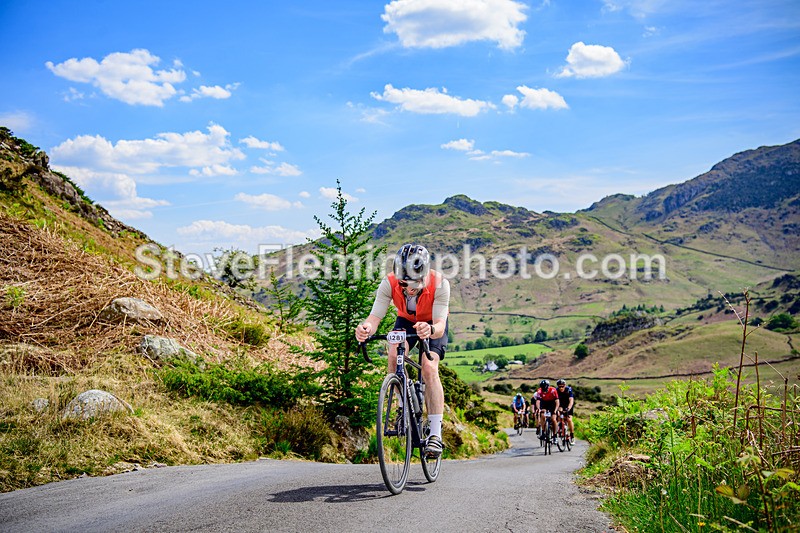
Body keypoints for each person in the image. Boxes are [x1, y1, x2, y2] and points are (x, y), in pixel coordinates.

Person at [355, 244, 450, 458]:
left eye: (415, 283)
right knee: (393, 353)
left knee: (428, 367)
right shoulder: (388, 283)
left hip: (432, 324)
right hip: (406, 321)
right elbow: (374, 318)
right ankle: (402, 407)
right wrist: (365, 329)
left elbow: (440, 326)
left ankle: (435, 433)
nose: (410, 289)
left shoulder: (440, 284)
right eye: (405, 283)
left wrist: (431, 329)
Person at [556, 379, 575, 444]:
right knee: (558, 417)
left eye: (562, 386)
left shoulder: (568, 390)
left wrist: (568, 408)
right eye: (559, 386)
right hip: (560, 404)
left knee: (569, 420)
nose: (561, 388)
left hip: (568, 405)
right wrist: (557, 408)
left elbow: (571, 400)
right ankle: (561, 429)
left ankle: (572, 435)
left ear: (565, 386)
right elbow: (555, 401)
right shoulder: (556, 391)